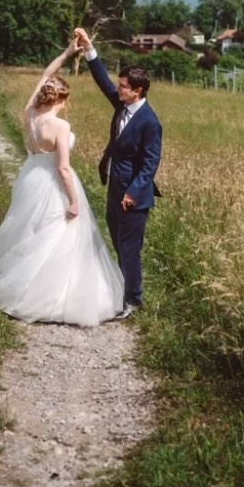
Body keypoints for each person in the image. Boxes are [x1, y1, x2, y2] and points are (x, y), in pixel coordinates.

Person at [0, 40, 124, 326]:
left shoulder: (30, 113)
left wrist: (67, 54)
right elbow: (64, 169)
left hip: (31, 177)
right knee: (62, 233)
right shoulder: (60, 126)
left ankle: (22, 286)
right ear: (62, 99)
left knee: (32, 231)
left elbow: (46, 74)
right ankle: (55, 297)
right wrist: (73, 200)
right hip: (53, 182)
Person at [74, 28, 162, 320]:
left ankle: (133, 300)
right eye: (121, 85)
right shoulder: (123, 106)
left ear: (138, 91)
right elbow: (102, 82)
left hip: (132, 197)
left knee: (129, 248)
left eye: (124, 86)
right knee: (118, 245)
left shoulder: (149, 122)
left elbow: (150, 163)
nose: (118, 89)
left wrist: (132, 194)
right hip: (114, 188)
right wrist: (89, 49)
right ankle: (121, 292)